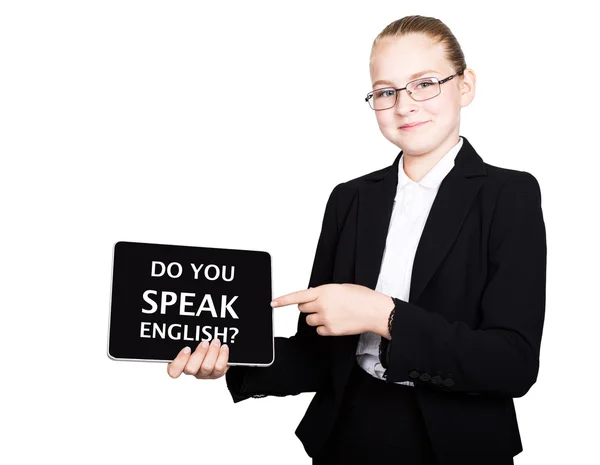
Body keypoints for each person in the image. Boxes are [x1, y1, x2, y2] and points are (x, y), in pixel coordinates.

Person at [166, 15, 547, 465]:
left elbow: (512, 362)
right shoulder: (350, 199)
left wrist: (382, 314)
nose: (404, 106)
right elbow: (317, 356)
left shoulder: (510, 195)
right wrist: (234, 358)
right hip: (348, 436)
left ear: (464, 86)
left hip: (457, 444)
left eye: (424, 83)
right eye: (386, 92)